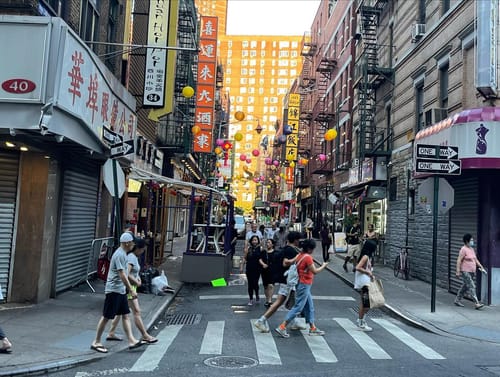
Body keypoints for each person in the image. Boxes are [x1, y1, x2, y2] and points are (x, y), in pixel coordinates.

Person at [90, 232, 146, 353]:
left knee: (125, 315)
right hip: (114, 290)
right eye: (132, 242)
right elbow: (122, 274)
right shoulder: (120, 255)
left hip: (120, 290)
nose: (133, 244)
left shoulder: (124, 254)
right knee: (106, 317)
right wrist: (131, 289)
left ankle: (131, 340)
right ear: (127, 243)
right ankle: (96, 341)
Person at [107, 238, 158, 344]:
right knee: (136, 311)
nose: (143, 251)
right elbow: (126, 273)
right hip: (129, 288)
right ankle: (145, 335)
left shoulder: (133, 257)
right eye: (143, 249)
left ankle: (111, 332)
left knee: (121, 312)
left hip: (129, 288)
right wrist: (136, 282)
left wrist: (137, 278)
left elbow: (132, 273)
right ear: (138, 248)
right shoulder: (131, 257)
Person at [275, 239, 329, 338]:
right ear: (309, 248)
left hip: (301, 283)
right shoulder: (308, 257)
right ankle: (282, 326)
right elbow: (315, 271)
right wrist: (324, 266)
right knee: (298, 307)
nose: (313, 251)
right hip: (305, 284)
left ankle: (312, 328)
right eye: (312, 249)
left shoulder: (299, 255)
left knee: (310, 306)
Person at [254, 231, 306, 333]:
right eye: (298, 240)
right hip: (287, 280)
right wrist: (298, 257)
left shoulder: (288, 249)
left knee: (290, 301)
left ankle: (294, 320)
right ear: (295, 240)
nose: (299, 242)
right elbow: (285, 263)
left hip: (286, 279)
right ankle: (261, 320)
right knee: (280, 302)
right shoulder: (291, 250)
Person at [454, 233, 485, 309]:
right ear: (467, 241)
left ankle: (457, 300)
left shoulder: (471, 249)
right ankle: (477, 303)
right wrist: (458, 271)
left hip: (472, 272)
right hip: (465, 271)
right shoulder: (463, 249)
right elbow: (459, 260)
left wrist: (481, 267)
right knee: (471, 286)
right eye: (471, 240)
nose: (472, 241)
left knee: (465, 286)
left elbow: (475, 259)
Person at [354, 239, 376, 331]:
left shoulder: (366, 257)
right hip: (364, 283)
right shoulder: (365, 257)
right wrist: (368, 272)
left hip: (365, 281)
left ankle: (362, 320)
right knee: (365, 303)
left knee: (366, 303)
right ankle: (361, 322)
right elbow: (358, 267)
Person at [241, 235, 263, 305]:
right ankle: (250, 299)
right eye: (253, 240)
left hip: (257, 268)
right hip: (249, 268)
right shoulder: (248, 249)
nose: (254, 241)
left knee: (255, 283)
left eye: (256, 240)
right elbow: (244, 258)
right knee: (250, 284)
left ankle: (257, 295)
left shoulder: (261, 248)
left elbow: (263, 258)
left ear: (258, 241)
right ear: (251, 241)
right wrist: (242, 267)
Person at [259, 239, 278, 307]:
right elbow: (260, 259)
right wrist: (263, 264)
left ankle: (270, 300)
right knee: (265, 286)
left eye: (269, 242)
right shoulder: (263, 252)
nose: (267, 244)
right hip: (264, 270)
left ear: (272, 244)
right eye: (267, 242)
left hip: (272, 270)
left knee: (271, 285)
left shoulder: (276, 252)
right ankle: (267, 299)